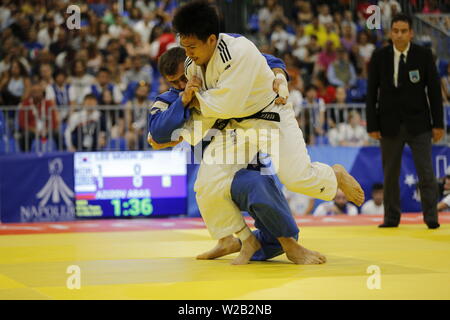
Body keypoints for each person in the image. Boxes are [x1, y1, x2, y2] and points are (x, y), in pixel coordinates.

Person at [173, 1, 364, 262]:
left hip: (270, 117)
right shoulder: (192, 64)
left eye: (192, 47)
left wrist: (192, 99)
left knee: (296, 178)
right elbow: (216, 111)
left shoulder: (238, 52)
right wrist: (184, 127)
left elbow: (227, 105)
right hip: (237, 126)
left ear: (211, 40)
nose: (188, 53)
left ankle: (334, 174)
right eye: (184, 47)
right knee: (206, 185)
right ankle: (239, 238)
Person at [148, 47, 325, 265]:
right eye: (173, 82)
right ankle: (229, 239)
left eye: (182, 79)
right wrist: (183, 100)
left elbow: (264, 60)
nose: (180, 85)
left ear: (191, 65)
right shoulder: (170, 98)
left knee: (256, 188)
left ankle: (284, 243)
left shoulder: (215, 73)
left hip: (247, 155)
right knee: (206, 186)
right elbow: (156, 132)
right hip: (217, 162)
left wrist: (279, 75)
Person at [366, 14, 444, 229]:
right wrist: (372, 124)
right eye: (395, 31)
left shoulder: (424, 55)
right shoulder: (379, 56)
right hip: (389, 124)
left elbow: (435, 92)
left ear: (411, 33)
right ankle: (391, 218)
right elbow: (371, 92)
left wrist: (438, 124)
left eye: (403, 31)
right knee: (390, 174)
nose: (399, 35)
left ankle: (431, 218)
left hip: (419, 124)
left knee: (426, 173)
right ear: (391, 32)